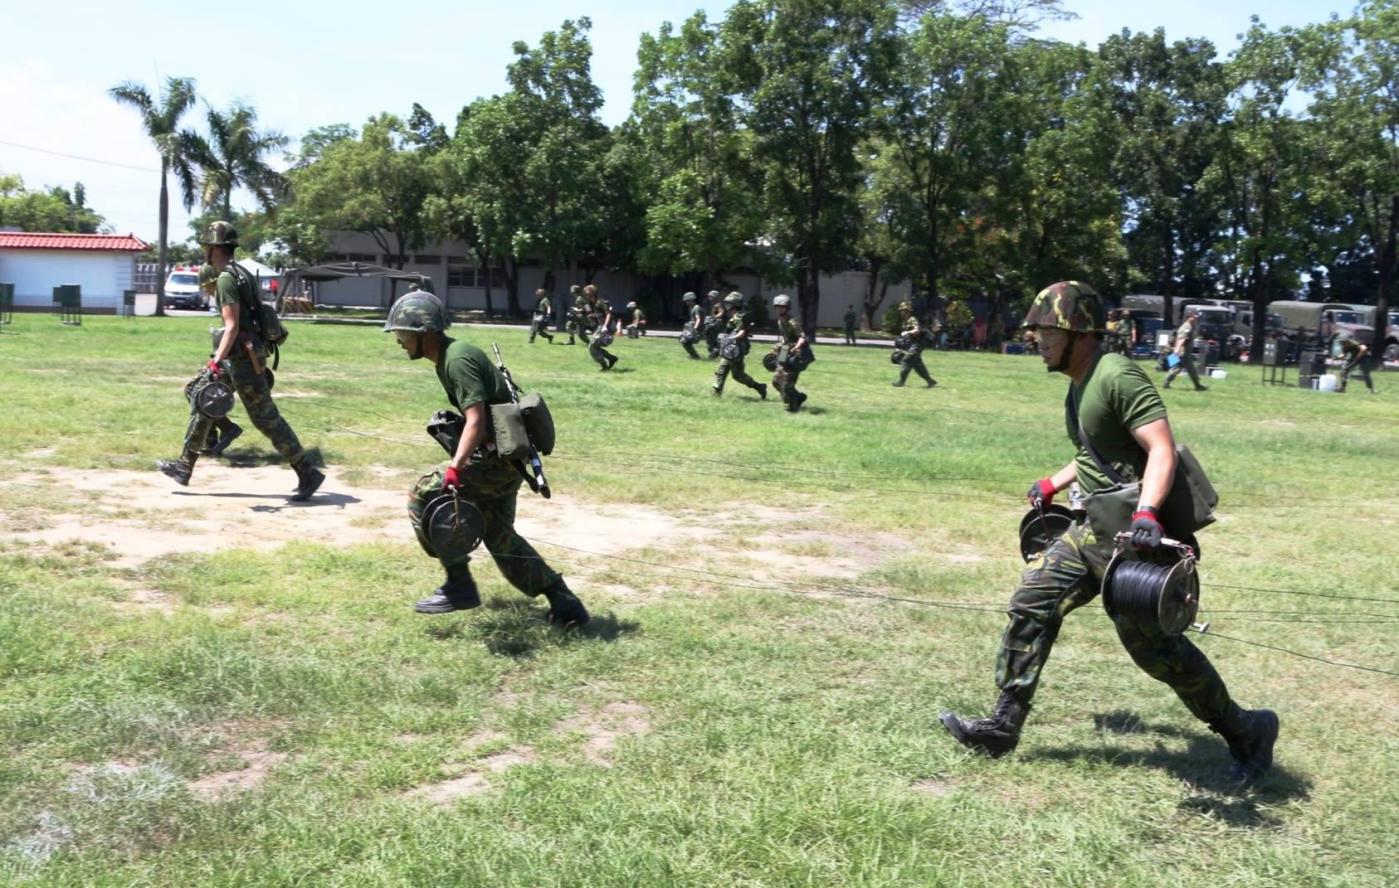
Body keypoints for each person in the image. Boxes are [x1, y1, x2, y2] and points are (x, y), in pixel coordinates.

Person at [939, 281, 1277, 784]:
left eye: (1046, 331)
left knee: (1157, 654)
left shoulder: (1118, 375)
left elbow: (1161, 449)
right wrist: (1053, 482)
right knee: (1032, 601)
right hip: (1091, 529)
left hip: (1132, 542)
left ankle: (1246, 730)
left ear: (1075, 331)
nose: (1038, 340)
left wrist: (1146, 515)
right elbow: (1094, 452)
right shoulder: (1079, 384)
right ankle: (1003, 726)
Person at [384, 289, 589, 624]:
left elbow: (477, 420)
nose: (398, 340)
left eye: (402, 333)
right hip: (507, 459)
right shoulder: (449, 356)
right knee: (498, 535)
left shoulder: (456, 360)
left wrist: (454, 468)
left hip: (494, 459)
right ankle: (565, 603)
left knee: (422, 494)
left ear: (424, 331)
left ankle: (459, 582)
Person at [157, 221, 324, 501]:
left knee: (266, 418)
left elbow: (232, 325)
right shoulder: (241, 272)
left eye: (207, 248)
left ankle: (307, 472)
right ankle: (184, 466)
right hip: (239, 356)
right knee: (202, 397)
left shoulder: (225, 278)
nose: (206, 253)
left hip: (241, 359)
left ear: (212, 248)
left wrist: (215, 360)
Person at [196, 263, 242, 457]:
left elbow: (232, 328)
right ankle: (211, 440)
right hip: (229, 359)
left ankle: (226, 430)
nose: (208, 292)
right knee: (200, 391)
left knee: (198, 391)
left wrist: (216, 361)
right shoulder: (224, 293)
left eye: (207, 287)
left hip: (235, 362)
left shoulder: (225, 291)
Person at [712, 292, 767, 400]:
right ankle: (716, 393)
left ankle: (759, 387)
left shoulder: (739, 317)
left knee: (738, 376)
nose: (727, 306)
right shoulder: (734, 316)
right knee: (720, 371)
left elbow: (741, 332)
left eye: (729, 304)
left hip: (736, 350)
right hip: (730, 349)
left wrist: (730, 339)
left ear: (735, 304)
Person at [770, 294, 810, 412]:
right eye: (777, 306)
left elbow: (802, 337)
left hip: (794, 353)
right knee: (776, 381)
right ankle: (798, 397)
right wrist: (778, 346)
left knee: (788, 383)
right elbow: (785, 337)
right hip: (784, 351)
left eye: (782, 307)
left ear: (787, 307)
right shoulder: (780, 321)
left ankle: (793, 406)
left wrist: (796, 347)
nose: (779, 309)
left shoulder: (792, 321)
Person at [892, 301, 937, 388]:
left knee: (906, 360)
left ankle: (901, 382)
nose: (901, 312)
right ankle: (930, 381)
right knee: (917, 364)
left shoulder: (912, 319)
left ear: (907, 311)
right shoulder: (906, 321)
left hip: (918, 344)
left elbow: (917, 330)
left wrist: (907, 332)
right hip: (913, 344)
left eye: (902, 310)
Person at [1164, 309, 1208, 391]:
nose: (1196, 319)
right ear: (1189, 317)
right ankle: (1198, 386)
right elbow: (1182, 339)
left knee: (1176, 368)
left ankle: (1166, 383)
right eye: (1194, 317)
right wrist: (1176, 350)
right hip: (1183, 352)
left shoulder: (1190, 326)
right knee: (1191, 369)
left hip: (1182, 352)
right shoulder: (1186, 327)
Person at [584, 284, 618, 371]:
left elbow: (608, 314)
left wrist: (605, 327)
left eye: (587, 293)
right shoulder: (592, 304)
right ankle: (611, 358)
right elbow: (598, 316)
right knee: (594, 346)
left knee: (591, 346)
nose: (585, 294)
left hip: (605, 327)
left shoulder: (599, 302)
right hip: (600, 327)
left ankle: (604, 366)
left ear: (592, 293)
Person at [679, 291, 704, 359]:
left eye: (687, 301)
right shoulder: (691, 308)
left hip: (696, 330)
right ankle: (694, 355)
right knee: (684, 341)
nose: (686, 302)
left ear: (691, 300)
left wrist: (695, 329)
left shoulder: (696, 308)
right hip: (691, 328)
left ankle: (695, 356)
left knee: (685, 341)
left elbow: (698, 319)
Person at [704, 290, 725, 359]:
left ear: (715, 297)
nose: (710, 298)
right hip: (715, 323)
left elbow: (721, 312)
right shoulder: (715, 304)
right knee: (711, 338)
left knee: (711, 338)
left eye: (711, 297)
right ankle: (714, 352)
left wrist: (714, 317)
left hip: (716, 323)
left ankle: (715, 351)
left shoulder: (718, 304)